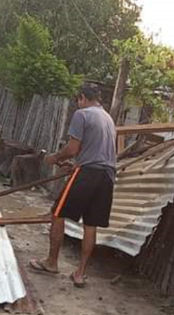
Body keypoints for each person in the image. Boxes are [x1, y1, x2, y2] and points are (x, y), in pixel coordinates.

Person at [29, 83, 116, 288]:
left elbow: (73, 148)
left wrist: (55, 158)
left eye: (79, 100)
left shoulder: (82, 114)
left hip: (88, 174)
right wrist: (77, 164)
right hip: (107, 177)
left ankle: (51, 263)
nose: (79, 103)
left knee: (58, 213)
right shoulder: (108, 119)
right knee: (90, 224)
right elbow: (97, 152)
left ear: (82, 98)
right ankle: (80, 273)